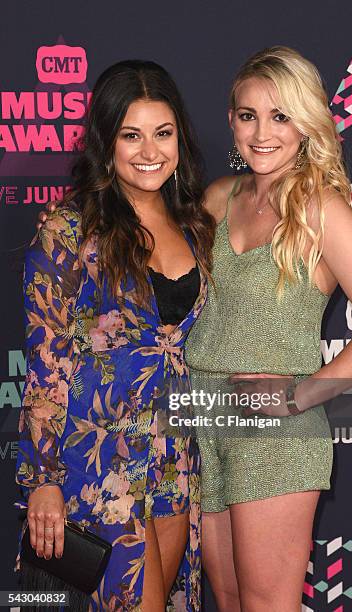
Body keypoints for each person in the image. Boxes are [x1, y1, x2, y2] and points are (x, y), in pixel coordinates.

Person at [184, 47, 352, 611]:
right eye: (247, 115)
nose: (262, 133)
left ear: (306, 124)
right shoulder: (218, 198)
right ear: (231, 119)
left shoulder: (321, 211)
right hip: (203, 418)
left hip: (273, 435)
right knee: (230, 598)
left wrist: (301, 394)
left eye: (280, 116)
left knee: (266, 603)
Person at [16, 59, 215, 611]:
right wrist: (43, 480)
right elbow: (46, 364)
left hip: (175, 456)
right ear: (106, 142)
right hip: (95, 458)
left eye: (163, 133)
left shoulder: (197, 226)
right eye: (132, 135)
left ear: (180, 137)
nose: (150, 151)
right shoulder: (68, 230)